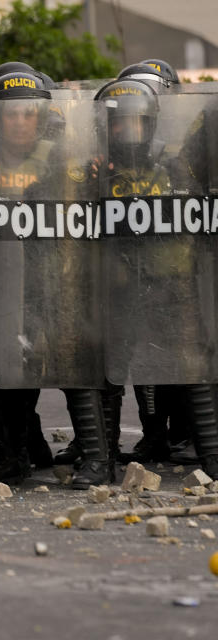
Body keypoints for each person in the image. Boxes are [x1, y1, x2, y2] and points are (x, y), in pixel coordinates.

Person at [0, 70, 112, 488]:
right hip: (9, 285)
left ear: (40, 118)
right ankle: (13, 458)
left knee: (74, 367)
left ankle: (96, 459)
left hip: (61, 283)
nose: (19, 121)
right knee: (13, 370)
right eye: (10, 115)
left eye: (27, 114)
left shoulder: (66, 161)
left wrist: (95, 177)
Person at [94, 78, 218, 480]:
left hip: (172, 284)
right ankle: (104, 459)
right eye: (116, 124)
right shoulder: (95, 172)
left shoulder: (173, 165)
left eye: (133, 123)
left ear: (148, 125)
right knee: (110, 374)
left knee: (192, 370)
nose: (124, 131)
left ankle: (212, 456)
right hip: (118, 289)